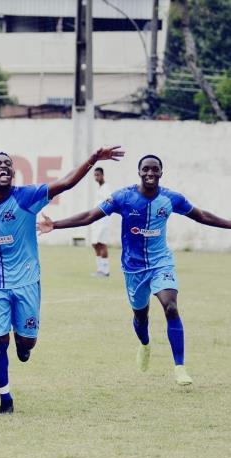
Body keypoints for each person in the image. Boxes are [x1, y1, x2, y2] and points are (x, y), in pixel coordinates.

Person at [37, 153, 231, 387]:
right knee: (141, 316)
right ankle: (145, 344)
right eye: (146, 169)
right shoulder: (123, 197)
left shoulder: (171, 199)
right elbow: (90, 216)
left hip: (161, 263)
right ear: (139, 172)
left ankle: (180, 367)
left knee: (170, 306)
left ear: (161, 172)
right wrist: (55, 225)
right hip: (133, 269)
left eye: (155, 169)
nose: (150, 173)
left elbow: (201, 215)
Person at [0, 147, 123, 414]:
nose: (4, 167)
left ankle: (25, 346)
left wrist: (92, 158)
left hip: (27, 282)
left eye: (8, 164)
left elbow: (66, 183)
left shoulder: (28, 196)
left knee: (26, 342)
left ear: (13, 172)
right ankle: (5, 398)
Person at [91, 167, 112, 277]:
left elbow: (109, 202)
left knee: (102, 243)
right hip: (96, 221)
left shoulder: (106, 188)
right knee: (95, 244)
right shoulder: (99, 188)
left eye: (98, 175)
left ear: (103, 175)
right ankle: (100, 269)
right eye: (95, 175)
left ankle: (106, 271)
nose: (96, 177)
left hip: (103, 221)